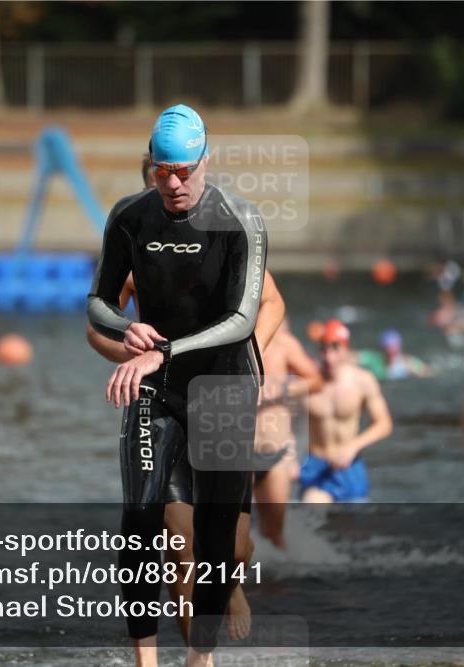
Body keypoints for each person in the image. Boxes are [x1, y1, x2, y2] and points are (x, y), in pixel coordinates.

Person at [87, 104, 268, 667]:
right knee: (140, 519)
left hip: (224, 388)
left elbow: (242, 320)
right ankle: (146, 662)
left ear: (205, 160)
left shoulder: (240, 220)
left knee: (219, 539)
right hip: (156, 388)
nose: (173, 183)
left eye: (185, 171)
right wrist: (128, 328)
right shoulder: (130, 217)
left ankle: (199, 658)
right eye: (163, 170)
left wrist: (161, 350)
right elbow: (98, 302)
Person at [300, 320, 393, 503]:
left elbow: (384, 424)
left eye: (335, 349)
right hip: (316, 466)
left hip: (350, 465)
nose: (329, 356)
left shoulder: (363, 381)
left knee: (355, 527)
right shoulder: (307, 382)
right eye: (324, 349)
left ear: (346, 349)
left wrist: (354, 445)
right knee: (310, 511)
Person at [252, 318, 324, 548]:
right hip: (235, 453)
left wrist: (279, 388)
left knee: (273, 533)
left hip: (276, 452)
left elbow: (315, 381)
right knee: (233, 532)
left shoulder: (284, 344)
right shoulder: (232, 343)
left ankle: (278, 580)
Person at [358, 329, 430, 380]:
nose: (392, 351)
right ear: (383, 349)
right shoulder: (373, 359)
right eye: (389, 347)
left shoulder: (408, 363)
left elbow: (427, 373)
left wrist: (414, 373)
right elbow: (355, 357)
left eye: (395, 347)